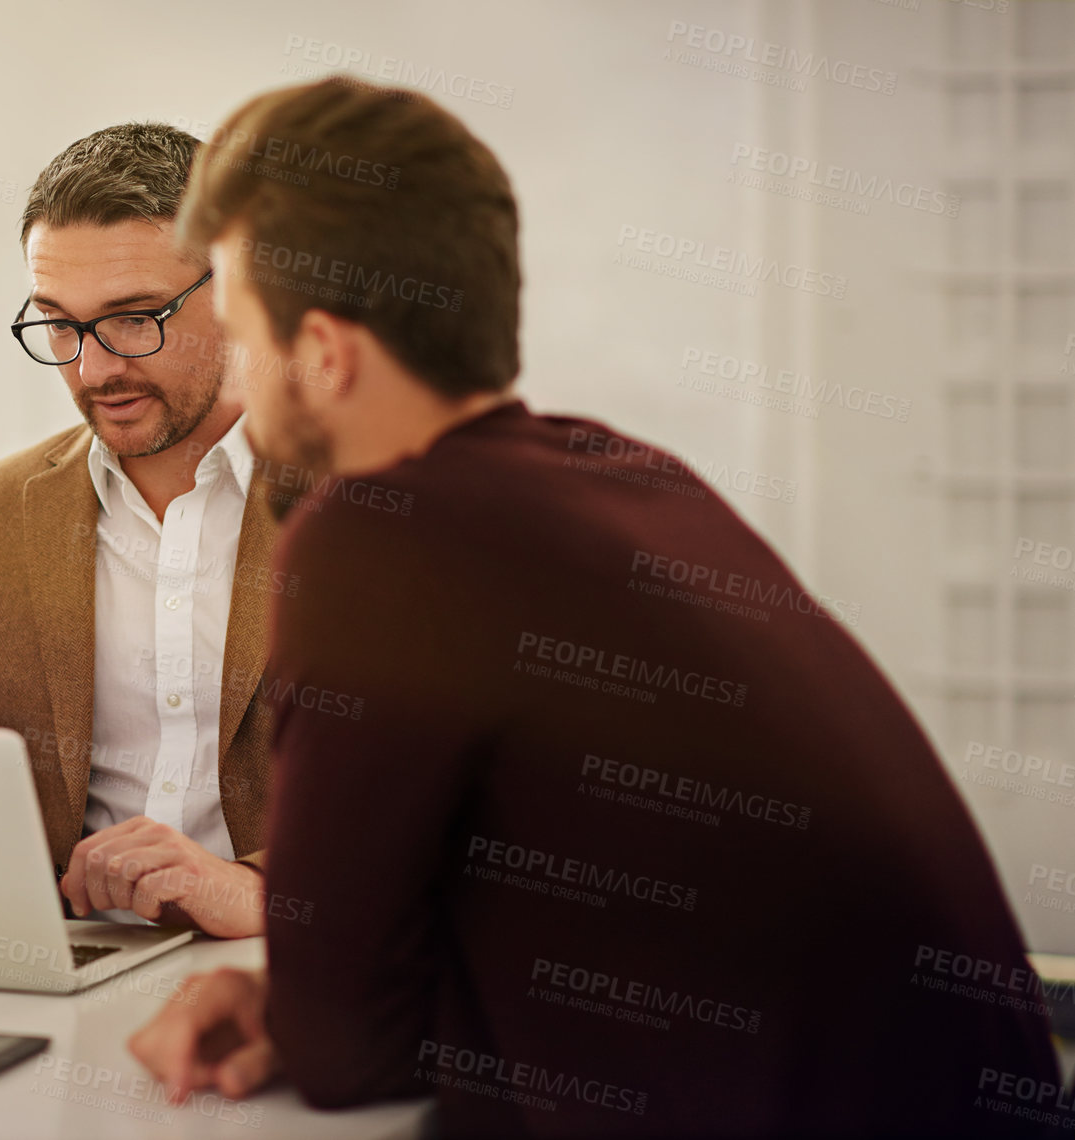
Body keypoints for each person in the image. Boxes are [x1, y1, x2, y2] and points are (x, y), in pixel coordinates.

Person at [129, 78, 1060, 1137]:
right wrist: (299, 1006)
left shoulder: (378, 531)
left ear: (328, 355)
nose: (241, 379)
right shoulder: (635, 474)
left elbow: (347, 1052)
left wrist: (301, 1009)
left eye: (245, 332)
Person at [0, 124, 278, 937]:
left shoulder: (380, 509)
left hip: (289, 968)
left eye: (135, 319)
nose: (92, 371)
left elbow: (463, 816)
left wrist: (256, 892)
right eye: (58, 324)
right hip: (67, 964)